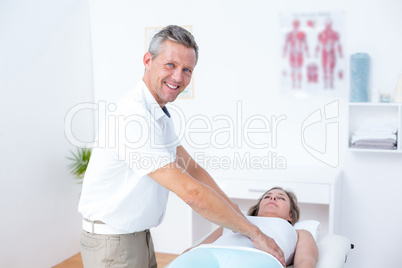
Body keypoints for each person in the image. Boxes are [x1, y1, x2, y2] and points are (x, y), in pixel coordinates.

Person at [78, 25, 286, 268]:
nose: (178, 77)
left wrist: (234, 209)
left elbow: (192, 169)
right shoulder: (133, 119)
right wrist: (255, 233)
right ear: (148, 60)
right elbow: (192, 193)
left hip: (136, 236)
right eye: (170, 65)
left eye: (187, 70)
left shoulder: (157, 113)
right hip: (113, 243)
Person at [168, 187, 319, 268]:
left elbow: (306, 259)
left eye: (281, 198)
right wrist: (185, 256)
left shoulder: (299, 232)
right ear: (258, 207)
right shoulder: (235, 220)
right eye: (267, 196)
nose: (272, 198)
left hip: (257, 259)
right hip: (207, 254)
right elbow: (202, 245)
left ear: (290, 216)